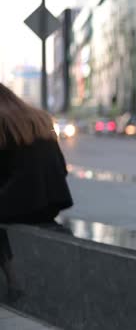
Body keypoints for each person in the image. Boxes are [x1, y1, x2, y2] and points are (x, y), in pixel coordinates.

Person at [0, 83, 73, 299]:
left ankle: (13, 281)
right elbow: (61, 167)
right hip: (51, 203)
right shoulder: (40, 118)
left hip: (20, 204)